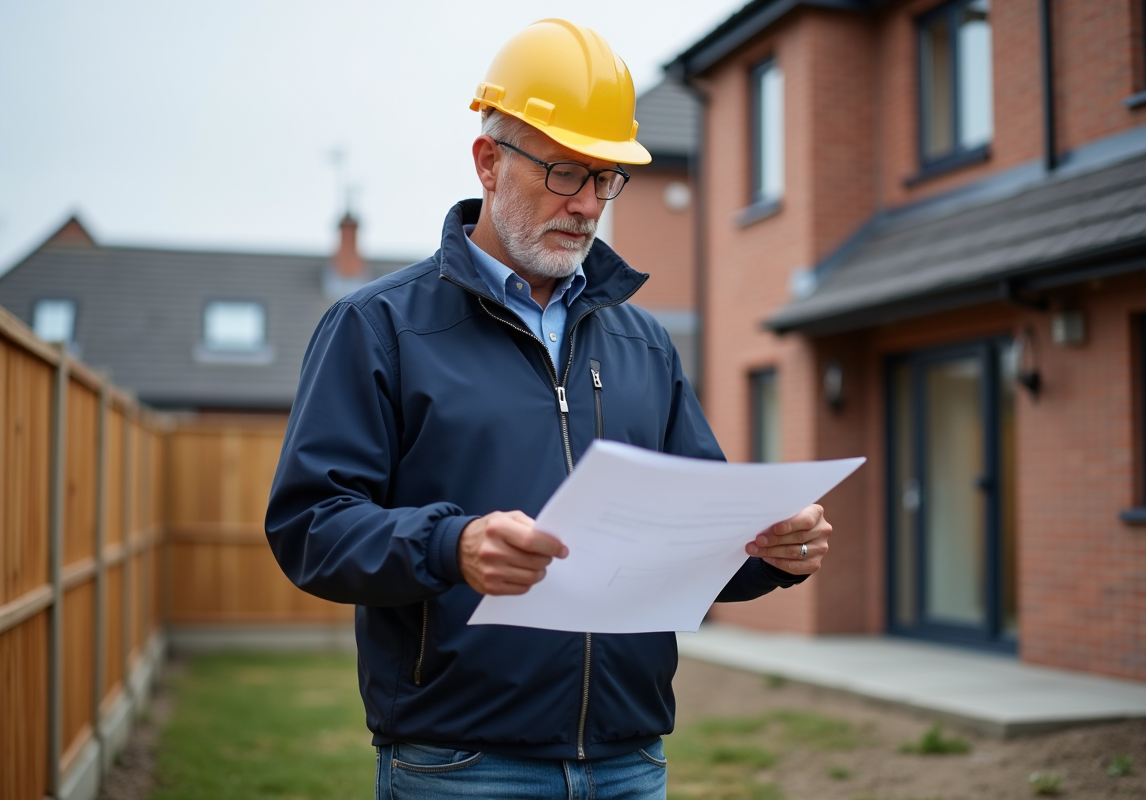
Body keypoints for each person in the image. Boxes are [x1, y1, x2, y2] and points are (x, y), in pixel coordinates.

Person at [265, 19, 834, 800]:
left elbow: (692, 545)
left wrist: (766, 552)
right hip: (461, 767)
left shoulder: (645, 344)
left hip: (630, 763)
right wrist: (452, 545)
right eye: (567, 172)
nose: (589, 204)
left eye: (606, 179)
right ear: (489, 161)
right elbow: (311, 528)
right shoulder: (378, 328)